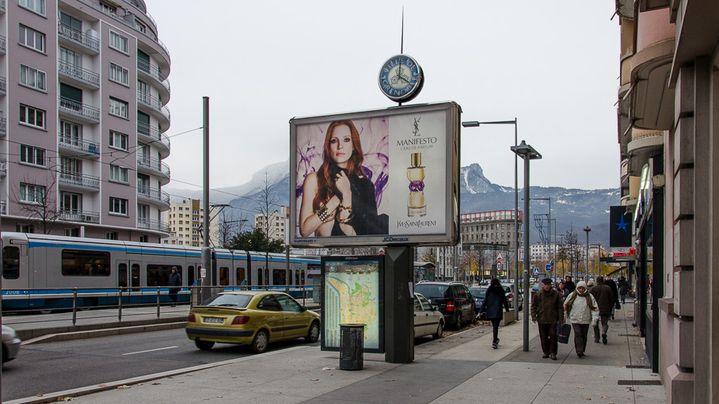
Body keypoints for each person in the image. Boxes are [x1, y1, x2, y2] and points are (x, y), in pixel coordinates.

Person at [299, 120, 387, 237]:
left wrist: (346, 193)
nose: (340, 146)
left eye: (346, 140)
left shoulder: (366, 185)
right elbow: (304, 231)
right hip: (327, 252)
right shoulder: (314, 179)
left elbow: (369, 234)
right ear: (328, 146)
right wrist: (332, 203)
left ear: (354, 145)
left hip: (359, 252)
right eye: (334, 141)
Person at [531, 278, 564, 360]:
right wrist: (534, 316)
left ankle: (553, 352)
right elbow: (533, 306)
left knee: (553, 336)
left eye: (548, 284)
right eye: (545, 284)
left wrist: (561, 318)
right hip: (542, 319)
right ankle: (546, 352)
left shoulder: (556, 294)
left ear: (550, 285)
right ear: (543, 285)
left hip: (553, 318)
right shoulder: (538, 295)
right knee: (543, 337)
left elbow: (560, 307)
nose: (547, 286)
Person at [564, 281, 598, 358]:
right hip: (574, 319)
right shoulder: (572, 295)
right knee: (578, 333)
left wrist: (594, 320)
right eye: (580, 288)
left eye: (583, 288)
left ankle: (582, 350)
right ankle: (579, 350)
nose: (581, 290)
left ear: (585, 288)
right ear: (577, 288)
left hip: (585, 319)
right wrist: (564, 316)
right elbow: (565, 305)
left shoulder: (590, 297)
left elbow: (595, 309)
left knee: (584, 335)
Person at [481, 278, 510, 349]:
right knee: (495, 327)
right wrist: (507, 309)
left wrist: (481, 310)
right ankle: (495, 341)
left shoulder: (489, 290)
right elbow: (504, 300)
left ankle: (495, 340)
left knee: (494, 326)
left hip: (490, 311)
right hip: (498, 311)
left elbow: (485, 301)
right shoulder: (500, 290)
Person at [590, 276, 615, 344]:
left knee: (595, 324)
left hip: (595, 309)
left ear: (597, 281)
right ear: (603, 281)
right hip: (606, 308)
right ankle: (604, 332)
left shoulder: (593, 289)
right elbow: (612, 299)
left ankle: (597, 338)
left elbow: (590, 299)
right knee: (604, 323)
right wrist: (610, 307)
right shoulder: (608, 288)